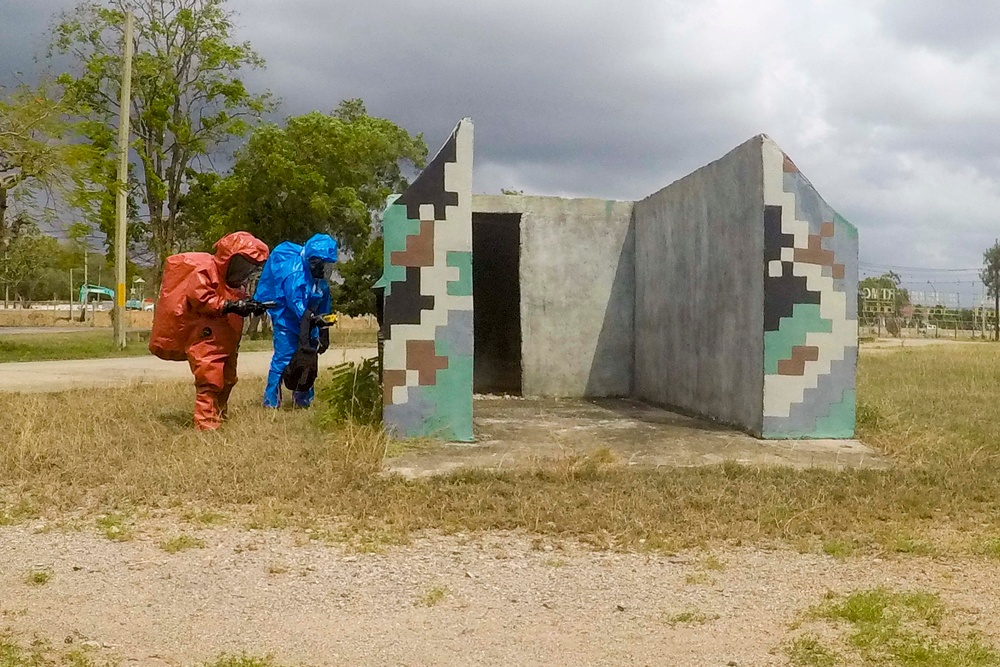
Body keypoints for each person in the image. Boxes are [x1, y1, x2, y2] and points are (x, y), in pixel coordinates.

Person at [149, 231, 271, 430]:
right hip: (207, 337)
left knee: (228, 379)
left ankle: (219, 413)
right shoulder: (206, 271)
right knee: (210, 380)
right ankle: (206, 423)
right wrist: (231, 306)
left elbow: (234, 297)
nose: (245, 271)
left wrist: (250, 305)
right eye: (243, 264)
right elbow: (199, 298)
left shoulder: (234, 283)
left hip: (227, 338)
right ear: (229, 258)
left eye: (250, 266)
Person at [254, 233, 339, 408]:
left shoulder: (319, 280)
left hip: (309, 322)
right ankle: (271, 402)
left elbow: (324, 303)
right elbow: (296, 305)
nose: (327, 269)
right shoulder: (294, 275)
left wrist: (324, 332)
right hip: (287, 322)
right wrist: (315, 320)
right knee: (283, 358)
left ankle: (303, 401)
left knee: (308, 359)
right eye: (325, 265)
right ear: (314, 262)